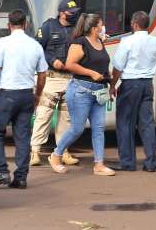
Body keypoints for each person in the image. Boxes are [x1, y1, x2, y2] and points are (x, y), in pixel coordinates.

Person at [0, 9, 48, 189]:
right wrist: (37, 95)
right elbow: (42, 76)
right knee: (22, 136)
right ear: (26, 24)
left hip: (7, 94)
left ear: (8, 25)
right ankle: (21, 177)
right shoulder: (35, 45)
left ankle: (1, 171)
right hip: (26, 94)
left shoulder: (3, 43)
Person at [48, 13, 115, 176]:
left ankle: (99, 164)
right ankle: (56, 156)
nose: (103, 27)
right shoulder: (79, 43)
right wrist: (91, 73)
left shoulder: (100, 41)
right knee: (77, 128)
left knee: (99, 128)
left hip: (99, 91)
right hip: (80, 91)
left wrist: (110, 83)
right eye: (101, 24)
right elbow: (70, 65)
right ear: (94, 28)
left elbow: (102, 63)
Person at [109, 9, 156, 172]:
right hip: (147, 85)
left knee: (125, 123)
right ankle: (151, 162)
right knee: (147, 124)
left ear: (135, 25)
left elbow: (117, 67)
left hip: (130, 85)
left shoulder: (127, 42)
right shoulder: (154, 41)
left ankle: (127, 162)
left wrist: (112, 85)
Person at [30, 0, 81, 167]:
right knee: (44, 115)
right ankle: (35, 152)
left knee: (67, 118)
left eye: (75, 13)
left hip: (71, 79)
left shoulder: (77, 29)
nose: (73, 16)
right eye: (70, 13)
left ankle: (63, 152)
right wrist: (52, 60)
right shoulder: (48, 27)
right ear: (61, 12)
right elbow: (37, 49)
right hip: (51, 78)